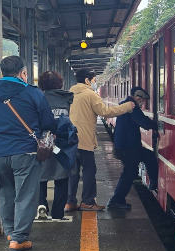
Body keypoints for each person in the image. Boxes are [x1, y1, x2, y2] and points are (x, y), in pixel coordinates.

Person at [0, 55, 57, 251]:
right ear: (23, 73)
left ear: (2, 72)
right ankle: (18, 238)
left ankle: (10, 231)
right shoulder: (33, 93)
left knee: (6, 192)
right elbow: (48, 122)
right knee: (25, 195)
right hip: (25, 152)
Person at [67, 69, 135, 211]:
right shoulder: (90, 95)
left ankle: (70, 202)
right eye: (94, 79)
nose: (94, 82)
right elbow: (105, 112)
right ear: (87, 80)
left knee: (72, 172)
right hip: (84, 140)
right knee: (89, 171)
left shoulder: (69, 94)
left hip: (70, 140)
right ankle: (88, 202)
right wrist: (127, 106)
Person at [107, 86, 159, 210]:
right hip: (128, 147)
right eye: (141, 99)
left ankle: (153, 182)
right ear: (137, 97)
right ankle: (116, 201)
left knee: (148, 157)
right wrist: (155, 125)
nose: (142, 102)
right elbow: (142, 121)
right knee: (129, 173)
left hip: (126, 146)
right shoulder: (131, 106)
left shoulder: (126, 104)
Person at [36, 71, 75, 221]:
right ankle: (58, 213)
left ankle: (41, 205)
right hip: (62, 143)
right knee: (62, 177)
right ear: (60, 83)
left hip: (43, 142)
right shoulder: (67, 99)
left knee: (41, 175)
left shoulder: (39, 98)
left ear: (42, 84)